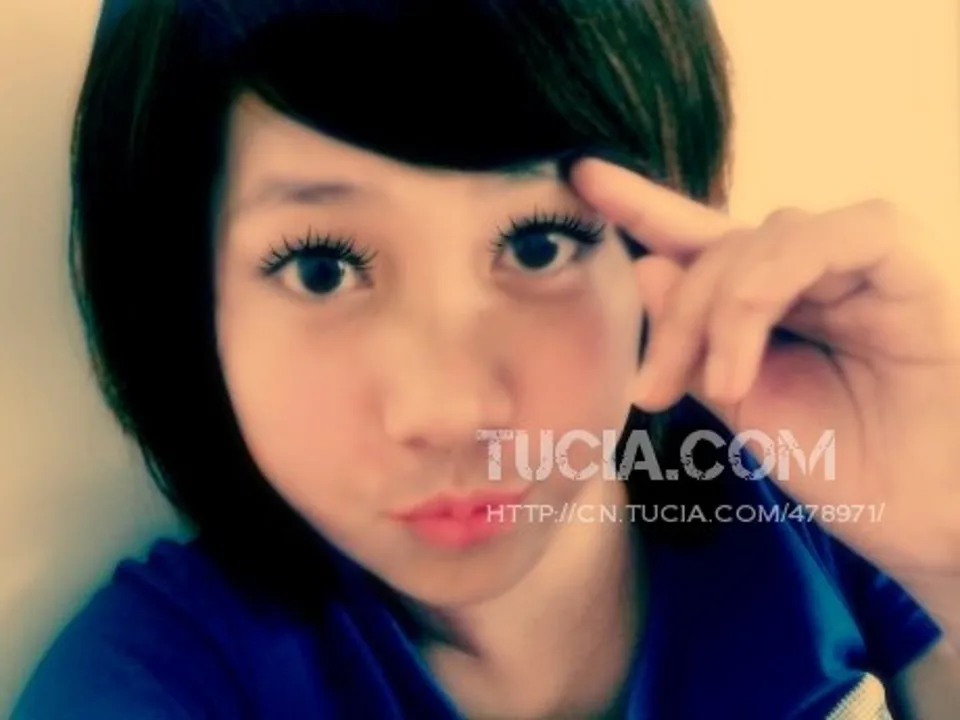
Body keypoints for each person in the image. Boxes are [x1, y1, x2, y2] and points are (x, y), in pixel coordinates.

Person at [12, 0, 960, 717]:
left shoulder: (809, 493)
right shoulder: (159, 679)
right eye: (321, 266)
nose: (450, 408)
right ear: (190, 297)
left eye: (539, 244)